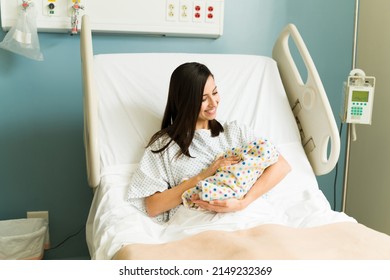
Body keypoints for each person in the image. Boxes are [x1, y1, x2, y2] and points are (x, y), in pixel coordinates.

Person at [127, 62, 291, 223]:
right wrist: (203, 175)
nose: (213, 103)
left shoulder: (235, 132)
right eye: (203, 98)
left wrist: (242, 203)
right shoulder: (164, 146)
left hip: (250, 217)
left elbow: (281, 165)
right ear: (184, 102)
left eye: (215, 92)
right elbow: (153, 206)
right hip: (200, 225)